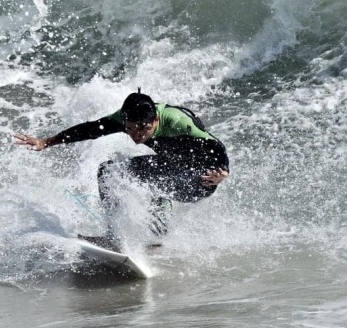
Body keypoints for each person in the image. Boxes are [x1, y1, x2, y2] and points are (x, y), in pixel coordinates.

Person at [14, 91, 229, 241]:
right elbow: (92, 129)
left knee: (156, 183)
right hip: (170, 168)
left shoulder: (177, 122)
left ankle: (157, 240)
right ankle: (115, 236)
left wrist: (222, 172)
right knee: (108, 171)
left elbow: (216, 146)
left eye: (142, 129)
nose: (136, 135)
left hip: (201, 180)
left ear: (155, 121)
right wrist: (47, 142)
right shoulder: (126, 118)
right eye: (130, 129)